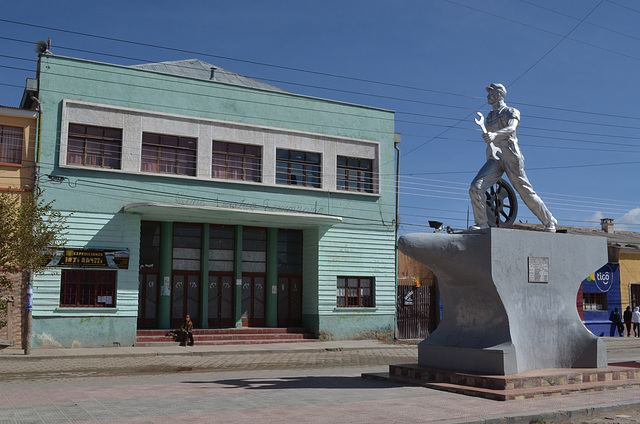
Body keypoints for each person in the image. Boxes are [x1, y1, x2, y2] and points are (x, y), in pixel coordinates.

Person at [469, 83, 557, 232]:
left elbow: (511, 128)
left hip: (510, 154)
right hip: (494, 156)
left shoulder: (511, 111)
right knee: (476, 187)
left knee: (524, 191)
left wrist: (495, 134)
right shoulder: (489, 117)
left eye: (490, 93)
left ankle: (549, 221)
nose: (487, 96)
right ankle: (482, 223)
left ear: (498, 95)